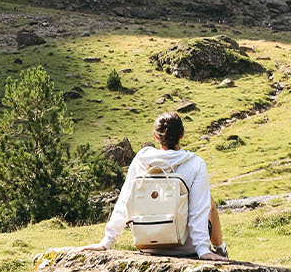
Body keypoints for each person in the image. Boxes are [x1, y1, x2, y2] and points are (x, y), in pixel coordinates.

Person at [81, 111, 227, 261]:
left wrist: (106, 242)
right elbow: (198, 210)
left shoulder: (142, 159)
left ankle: (219, 248)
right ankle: (220, 248)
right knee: (209, 202)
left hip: (148, 243)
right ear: (182, 134)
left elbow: (125, 200)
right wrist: (202, 250)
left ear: (156, 136)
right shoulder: (196, 164)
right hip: (185, 247)